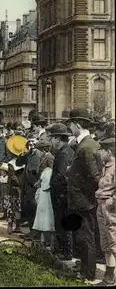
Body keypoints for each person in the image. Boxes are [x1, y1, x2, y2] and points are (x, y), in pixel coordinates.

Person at [66, 108, 101, 281]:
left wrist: (89, 198)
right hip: (81, 200)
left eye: (71, 124)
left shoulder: (86, 147)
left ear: (77, 125)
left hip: (84, 201)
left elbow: (95, 177)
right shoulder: (86, 144)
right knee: (81, 236)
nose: (70, 128)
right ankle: (84, 268)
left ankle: (88, 274)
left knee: (86, 237)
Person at [49, 123, 75, 261]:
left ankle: (67, 253)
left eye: (52, 138)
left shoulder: (64, 153)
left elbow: (62, 176)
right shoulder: (66, 151)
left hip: (62, 195)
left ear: (58, 138)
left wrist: (57, 193)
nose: (50, 141)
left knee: (62, 224)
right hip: (62, 194)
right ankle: (64, 250)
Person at [95, 137, 116, 286]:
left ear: (108, 151)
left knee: (114, 240)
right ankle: (109, 276)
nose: (99, 152)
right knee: (106, 242)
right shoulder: (105, 166)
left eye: (101, 150)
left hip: (110, 208)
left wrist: (110, 202)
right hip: (101, 206)